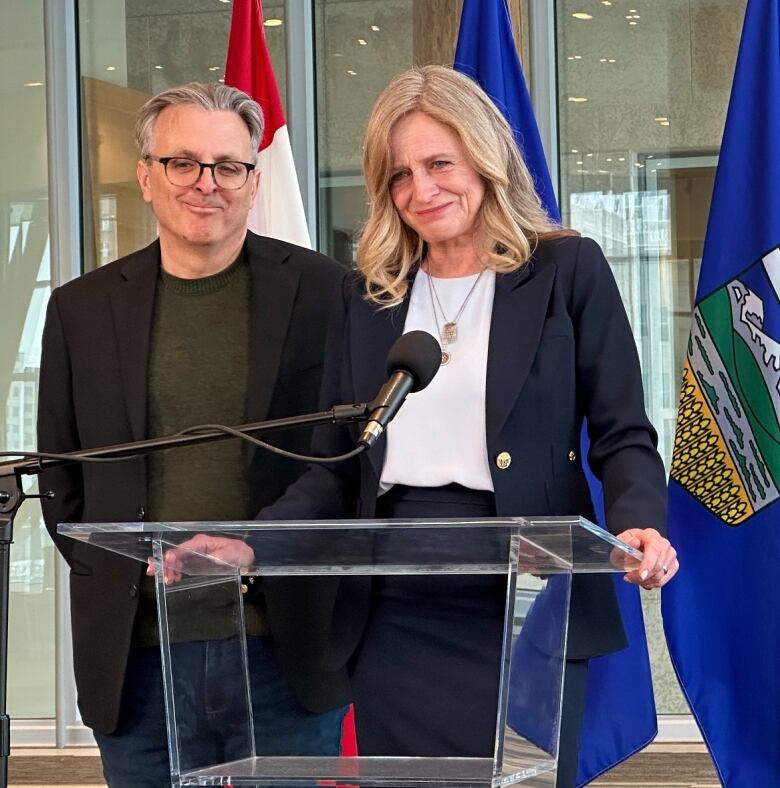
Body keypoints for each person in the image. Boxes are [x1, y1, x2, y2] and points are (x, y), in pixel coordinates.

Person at [166, 66, 679, 788]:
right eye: (400, 175)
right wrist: (252, 542)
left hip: (528, 589)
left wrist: (638, 523)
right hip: (396, 600)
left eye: (439, 163)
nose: (421, 190)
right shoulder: (369, 295)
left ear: (485, 156)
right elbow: (335, 467)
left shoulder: (566, 269)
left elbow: (623, 429)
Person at [37, 82, 348, 787]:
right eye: (183, 163)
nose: (206, 183)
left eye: (227, 166)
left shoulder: (328, 293)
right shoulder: (79, 310)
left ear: (253, 180)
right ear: (146, 176)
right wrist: (121, 564)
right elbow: (61, 476)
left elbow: (345, 460)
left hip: (282, 650)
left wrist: (259, 548)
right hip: (136, 657)